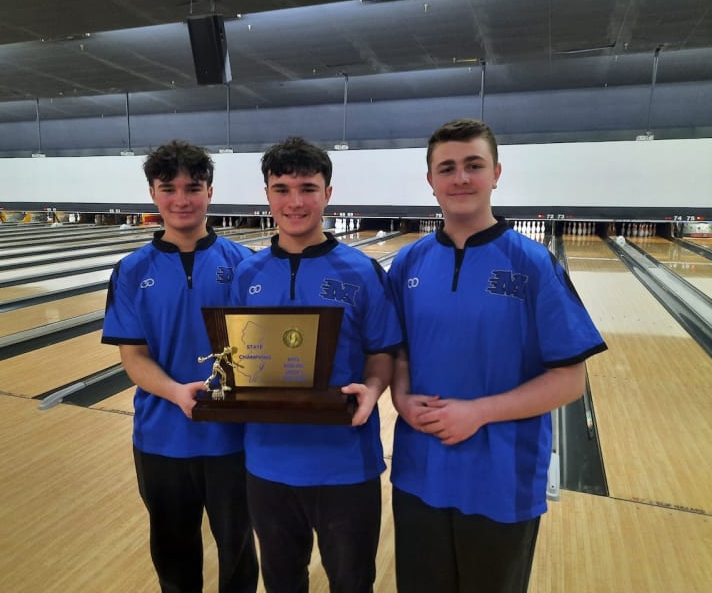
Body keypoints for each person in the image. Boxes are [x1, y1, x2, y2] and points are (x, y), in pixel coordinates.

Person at [388, 118, 608, 593]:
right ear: (431, 180)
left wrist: (478, 413)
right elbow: (399, 353)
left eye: (473, 165)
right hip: (419, 472)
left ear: (496, 173)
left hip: (502, 480)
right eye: (447, 168)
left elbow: (570, 380)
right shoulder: (408, 263)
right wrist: (401, 398)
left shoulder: (532, 263)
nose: (460, 178)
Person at [229, 137, 402, 593]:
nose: (295, 201)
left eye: (307, 187)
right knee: (283, 583)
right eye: (281, 188)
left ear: (328, 192)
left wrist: (374, 387)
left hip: (345, 464)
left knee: (352, 582)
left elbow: (381, 350)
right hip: (267, 464)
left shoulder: (362, 272)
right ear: (267, 194)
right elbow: (234, 356)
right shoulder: (248, 274)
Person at [101, 140, 258, 593]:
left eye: (193, 187)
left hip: (231, 438)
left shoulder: (244, 265)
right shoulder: (131, 270)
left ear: (210, 191)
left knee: (239, 553)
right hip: (160, 439)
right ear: (153, 193)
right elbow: (133, 357)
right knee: (172, 557)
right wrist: (175, 392)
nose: (181, 199)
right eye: (168, 188)